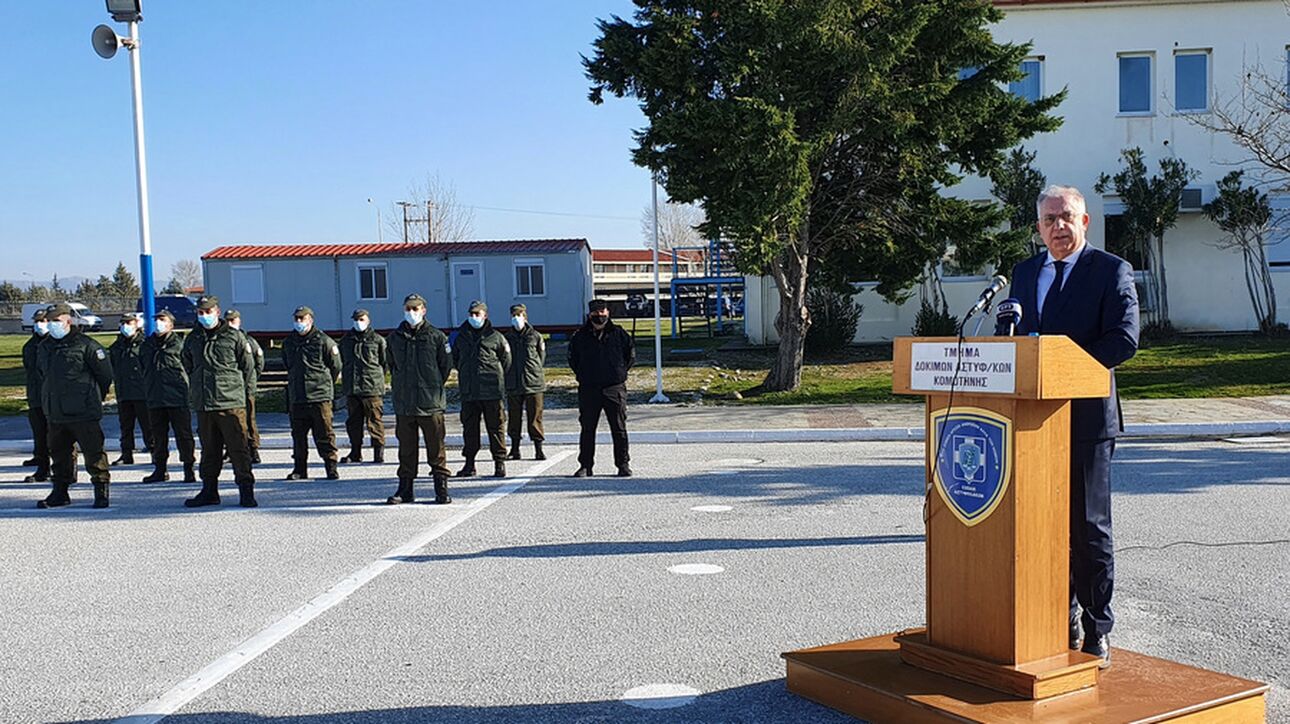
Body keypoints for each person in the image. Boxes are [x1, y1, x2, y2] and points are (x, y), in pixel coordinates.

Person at [1009, 184, 1139, 668]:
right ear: (1038, 227)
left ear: (1084, 222)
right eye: (1048, 220)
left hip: (1085, 419)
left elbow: (1123, 340)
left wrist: (1063, 371)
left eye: (1066, 217)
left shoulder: (1110, 271)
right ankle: (1054, 619)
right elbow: (1016, 339)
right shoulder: (1025, 273)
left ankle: (1096, 627)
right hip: (1032, 423)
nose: (1057, 227)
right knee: (1043, 528)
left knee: (1088, 529)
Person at [182, 296, 258, 508]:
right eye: (200, 313)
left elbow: (248, 368)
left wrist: (244, 396)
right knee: (209, 451)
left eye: (208, 312)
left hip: (230, 403)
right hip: (205, 404)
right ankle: (209, 491)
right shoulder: (193, 338)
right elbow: (188, 364)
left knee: (238, 449)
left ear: (217, 312)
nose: (204, 316)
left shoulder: (234, 338)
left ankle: (246, 490)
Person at [35, 303, 113, 509]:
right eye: (49, 321)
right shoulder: (44, 347)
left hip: (83, 411)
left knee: (94, 452)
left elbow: (104, 375)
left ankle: (101, 490)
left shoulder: (86, 345)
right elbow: (44, 375)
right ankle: (60, 492)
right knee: (59, 454)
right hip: (56, 412)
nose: (52, 325)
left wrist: (94, 397)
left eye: (56, 321)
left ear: (68, 321)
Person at [385, 294, 453, 505]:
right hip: (405, 403)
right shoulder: (394, 338)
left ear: (424, 310)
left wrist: (431, 388)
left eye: (416, 309)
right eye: (408, 309)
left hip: (430, 403)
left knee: (436, 448)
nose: (411, 312)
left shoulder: (437, 337)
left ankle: (441, 489)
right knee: (406, 449)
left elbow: (445, 367)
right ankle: (405, 490)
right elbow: (391, 365)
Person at [568, 299, 635, 478]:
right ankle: (585, 466)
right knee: (588, 428)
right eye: (596, 313)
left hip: (614, 387)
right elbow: (573, 359)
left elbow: (629, 356)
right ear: (590, 314)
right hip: (589, 388)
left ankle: (623, 464)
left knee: (619, 428)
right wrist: (584, 374)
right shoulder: (580, 336)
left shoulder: (619, 334)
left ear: (608, 313)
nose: (600, 315)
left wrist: (618, 372)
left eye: (603, 312)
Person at [452, 300, 511, 479]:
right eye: (471, 314)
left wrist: (496, 379)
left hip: (491, 391)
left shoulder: (496, 337)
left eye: (478, 314)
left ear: (485, 315)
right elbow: (455, 359)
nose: (474, 317)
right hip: (469, 392)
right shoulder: (460, 336)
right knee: (469, 430)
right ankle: (469, 464)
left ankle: (499, 463)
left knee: (496, 428)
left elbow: (506, 361)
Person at [282, 306, 342, 480]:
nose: (299, 322)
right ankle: (300, 469)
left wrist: (323, 384)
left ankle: (331, 467)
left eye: (303, 319)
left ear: (311, 320)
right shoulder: (289, 342)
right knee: (298, 436)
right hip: (298, 396)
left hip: (319, 396)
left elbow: (335, 366)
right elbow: (288, 364)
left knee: (325, 434)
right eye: (297, 319)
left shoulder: (323, 341)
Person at [140, 309, 197, 483]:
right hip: (155, 396)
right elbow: (143, 367)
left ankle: (188, 468)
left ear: (171, 324)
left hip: (177, 396)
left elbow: (190, 366)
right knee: (158, 436)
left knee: (184, 435)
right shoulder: (147, 345)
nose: (158, 323)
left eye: (162, 320)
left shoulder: (179, 345)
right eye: (156, 320)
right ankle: (160, 469)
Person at [339, 308, 388, 464]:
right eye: (356, 320)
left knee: (375, 422)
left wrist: (377, 380)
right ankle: (355, 452)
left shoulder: (377, 340)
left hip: (371, 388)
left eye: (361, 319)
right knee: (353, 423)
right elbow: (341, 362)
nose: (358, 322)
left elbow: (384, 363)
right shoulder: (346, 340)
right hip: (353, 388)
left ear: (368, 320)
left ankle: (378, 452)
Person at [108, 312, 154, 465]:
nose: (126, 326)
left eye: (129, 323)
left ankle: (155, 454)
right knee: (125, 427)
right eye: (123, 323)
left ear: (136, 325)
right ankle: (126, 454)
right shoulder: (116, 347)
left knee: (148, 426)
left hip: (142, 392)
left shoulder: (145, 345)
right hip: (124, 392)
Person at [502, 303, 546, 460]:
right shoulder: (507, 338)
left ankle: (538, 449)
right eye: (514, 316)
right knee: (514, 418)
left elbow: (541, 358)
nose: (516, 318)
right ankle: (515, 449)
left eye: (519, 315)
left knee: (535, 417)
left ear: (525, 317)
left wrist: (534, 373)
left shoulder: (535, 336)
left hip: (533, 383)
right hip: (513, 383)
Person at [225, 309, 265, 464]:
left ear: (239, 321)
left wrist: (251, 380)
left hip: (246, 388)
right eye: (227, 320)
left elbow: (258, 363)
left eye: (233, 320)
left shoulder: (248, 341)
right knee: (231, 422)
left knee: (249, 419)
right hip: (230, 390)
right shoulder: (224, 340)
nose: (230, 323)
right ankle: (230, 450)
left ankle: (253, 449)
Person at [21, 307, 51, 483]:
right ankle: (42, 466)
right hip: (35, 396)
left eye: (44, 321)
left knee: (56, 436)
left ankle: (65, 471)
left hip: (53, 397)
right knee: (39, 433)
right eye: (37, 321)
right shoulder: (30, 346)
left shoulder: (53, 344)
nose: (40, 325)